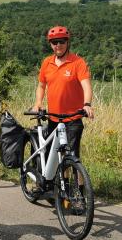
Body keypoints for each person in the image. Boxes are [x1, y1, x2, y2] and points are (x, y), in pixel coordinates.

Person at [31, 26, 94, 158]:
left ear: (67, 42)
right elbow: (41, 86)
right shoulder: (47, 62)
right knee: (56, 156)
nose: (58, 45)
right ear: (50, 44)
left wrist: (87, 104)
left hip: (73, 118)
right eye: (54, 42)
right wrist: (38, 104)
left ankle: (78, 179)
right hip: (53, 117)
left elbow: (86, 86)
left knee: (72, 156)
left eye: (62, 41)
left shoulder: (78, 62)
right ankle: (62, 180)